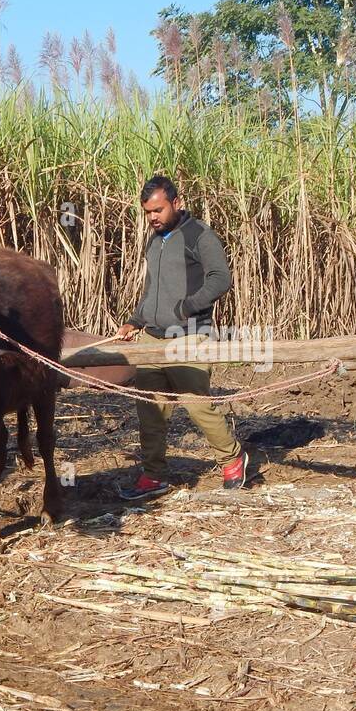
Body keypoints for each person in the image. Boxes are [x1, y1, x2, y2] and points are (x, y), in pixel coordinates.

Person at [114, 175, 249, 499]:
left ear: (177, 203)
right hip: (152, 337)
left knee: (197, 405)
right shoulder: (154, 240)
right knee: (150, 409)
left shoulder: (199, 235)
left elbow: (220, 279)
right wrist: (134, 321)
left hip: (190, 336)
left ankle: (232, 459)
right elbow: (152, 289)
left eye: (158, 210)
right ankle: (154, 475)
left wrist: (187, 307)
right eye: (147, 212)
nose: (153, 218)